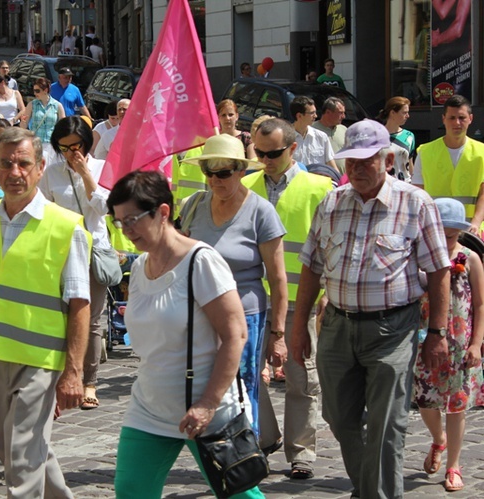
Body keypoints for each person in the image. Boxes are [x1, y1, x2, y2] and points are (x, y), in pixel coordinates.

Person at [292, 119, 451, 498]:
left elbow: (439, 271)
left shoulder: (415, 204)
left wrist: (437, 334)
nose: (357, 170)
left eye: (367, 161)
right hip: (336, 328)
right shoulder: (331, 203)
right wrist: (299, 327)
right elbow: (311, 268)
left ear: (389, 158)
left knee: (386, 425)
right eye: (351, 162)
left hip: (392, 330)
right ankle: (369, 487)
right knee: (338, 416)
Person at [107, 170, 264, 499]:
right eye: (120, 221)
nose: (127, 229)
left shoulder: (200, 262)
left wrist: (207, 404)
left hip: (207, 412)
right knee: (131, 491)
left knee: (239, 495)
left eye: (133, 219)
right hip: (149, 408)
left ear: (163, 212)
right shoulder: (137, 268)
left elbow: (235, 334)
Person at [0, 127, 90, 497]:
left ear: (39, 169)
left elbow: (80, 303)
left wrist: (74, 370)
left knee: (22, 459)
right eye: (6, 163)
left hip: (41, 359)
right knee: (13, 449)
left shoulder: (65, 226)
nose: (14, 172)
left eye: (23, 163)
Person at [180, 134, 287, 437]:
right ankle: (218, 453)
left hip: (244, 317)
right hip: (200, 315)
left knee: (240, 390)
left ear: (241, 171)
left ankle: (244, 457)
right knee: (204, 388)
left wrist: (277, 335)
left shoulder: (261, 211)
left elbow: (278, 280)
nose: (215, 180)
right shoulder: (193, 206)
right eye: (208, 172)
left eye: (224, 172)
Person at [244, 118, 333, 480]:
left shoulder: (320, 187)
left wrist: (327, 292)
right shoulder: (245, 185)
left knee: (301, 378)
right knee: (249, 373)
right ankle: (266, 436)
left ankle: (301, 452)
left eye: (274, 153)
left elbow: (331, 243)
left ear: (293, 149)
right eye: (260, 153)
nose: (265, 159)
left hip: (301, 298)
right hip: (252, 299)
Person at [39, 116, 111, 410]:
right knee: (61, 317)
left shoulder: (101, 167)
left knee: (92, 320)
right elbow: (43, 209)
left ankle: (89, 381)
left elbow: (105, 207)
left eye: (76, 146)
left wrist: (85, 175)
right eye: (64, 148)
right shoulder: (51, 172)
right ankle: (64, 374)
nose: (71, 154)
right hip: (62, 251)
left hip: (94, 250)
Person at [413, 198, 483, 493]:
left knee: (456, 406)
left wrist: (477, 343)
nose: (445, 239)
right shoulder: (418, 257)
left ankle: (453, 463)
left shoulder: (470, 259)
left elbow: (480, 304)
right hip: (424, 341)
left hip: (460, 344)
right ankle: (438, 438)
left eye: (452, 234)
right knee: (425, 400)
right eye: (439, 233)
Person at [412, 95, 484, 234]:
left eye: (462, 118)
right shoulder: (426, 151)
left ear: (470, 119)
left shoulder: (482, 152)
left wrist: (476, 222)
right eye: (452, 118)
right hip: (434, 226)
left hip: (471, 229)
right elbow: (418, 193)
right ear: (443, 119)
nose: (457, 123)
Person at [171, 99, 255, 215]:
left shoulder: (246, 138)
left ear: (237, 116)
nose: (227, 118)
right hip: (196, 205)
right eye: (223, 115)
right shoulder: (209, 140)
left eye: (230, 114)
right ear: (218, 117)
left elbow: (252, 168)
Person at [290, 96, 338, 170]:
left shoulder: (321, 137)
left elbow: (331, 165)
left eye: (315, 112)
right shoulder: (285, 139)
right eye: (312, 113)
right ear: (299, 116)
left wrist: (340, 181)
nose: (316, 116)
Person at [379, 96, 416, 181]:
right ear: (392, 113)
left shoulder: (409, 136)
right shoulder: (377, 135)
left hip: (405, 185)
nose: (408, 116)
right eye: (404, 113)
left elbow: (410, 164)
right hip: (384, 186)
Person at [19, 77, 65, 144]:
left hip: (51, 143)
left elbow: (63, 127)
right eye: (34, 91)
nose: (35, 93)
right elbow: (23, 127)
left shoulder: (57, 105)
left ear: (45, 90)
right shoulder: (31, 104)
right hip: (36, 142)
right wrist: (22, 121)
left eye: (37, 91)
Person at [311, 97, 347, 172]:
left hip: (344, 179)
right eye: (340, 113)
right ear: (328, 112)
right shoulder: (312, 130)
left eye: (344, 113)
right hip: (323, 178)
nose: (344, 116)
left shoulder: (344, 129)